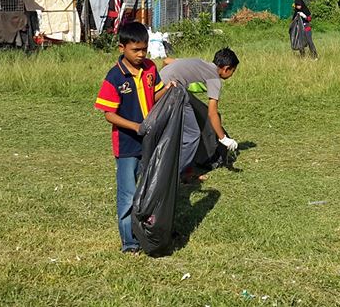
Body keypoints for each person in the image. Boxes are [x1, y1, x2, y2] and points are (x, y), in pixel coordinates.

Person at [94, 22, 176, 254]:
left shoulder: (150, 68)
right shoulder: (115, 77)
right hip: (128, 146)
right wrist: (136, 127)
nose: (141, 54)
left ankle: (149, 231)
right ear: (122, 48)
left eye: (144, 49)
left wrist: (169, 88)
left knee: (150, 189)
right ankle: (129, 241)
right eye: (136, 50)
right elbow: (109, 114)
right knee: (128, 194)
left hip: (150, 143)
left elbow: (155, 94)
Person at [161, 48, 240, 181]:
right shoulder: (214, 78)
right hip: (171, 93)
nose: (232, 74)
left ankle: (186, 169)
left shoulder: (199, 62)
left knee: (185, 126)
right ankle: (174, 175)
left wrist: (161, 80)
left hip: (158, 88)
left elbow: (166, 61)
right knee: (192, 134)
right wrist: (223, 139)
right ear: (226, 69)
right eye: (233, 71)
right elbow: (212, 113)